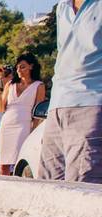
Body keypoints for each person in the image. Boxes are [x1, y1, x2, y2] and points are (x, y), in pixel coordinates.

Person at [39, 0, 102, 183]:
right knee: (48, 184)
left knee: (82, 184)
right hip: (57, 104)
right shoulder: (62, 7)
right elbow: (63, 53)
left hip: (90, 103)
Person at [0, 54, 45, 175]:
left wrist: (33, 131)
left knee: (20, 161)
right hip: (6, 125)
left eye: (22, 67)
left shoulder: (39, 85)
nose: (19, 70)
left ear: (31, 67)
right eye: (17, 67)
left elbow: (38, 111)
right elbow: (2, 108)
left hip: (23, 125)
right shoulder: (10, 85)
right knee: (3, 165)